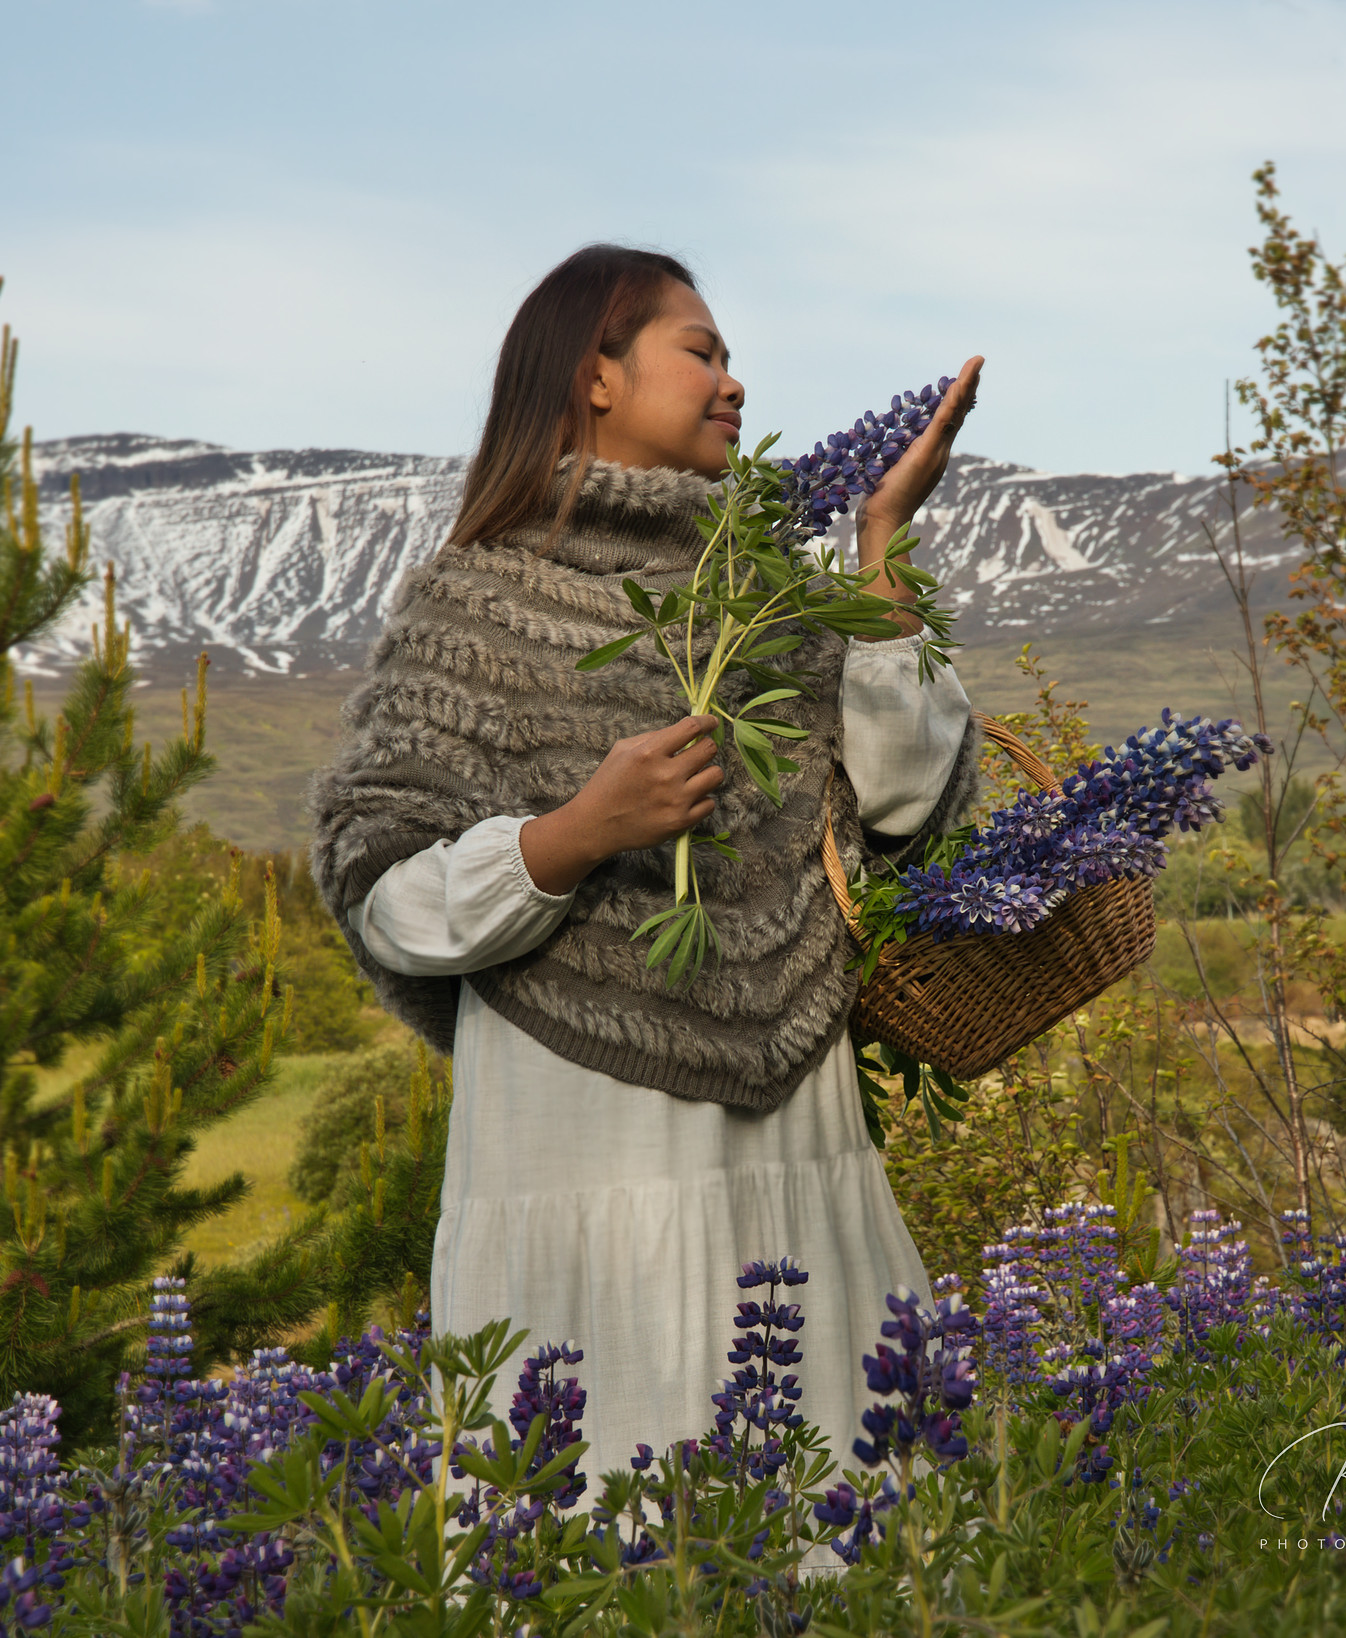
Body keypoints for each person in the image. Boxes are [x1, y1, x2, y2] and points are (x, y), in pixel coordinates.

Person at [308, 243, 984, 1488]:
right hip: (581, 1142)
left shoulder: (766, 595)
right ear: (597, 377)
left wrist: (880, 547)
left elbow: (901, 812)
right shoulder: (476, 600)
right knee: (589, 1516)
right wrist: (575, 834)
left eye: (730, 358)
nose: (733, 382)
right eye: (702, 352)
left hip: (792, 1138)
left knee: (830, 1503)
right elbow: (383, 895)